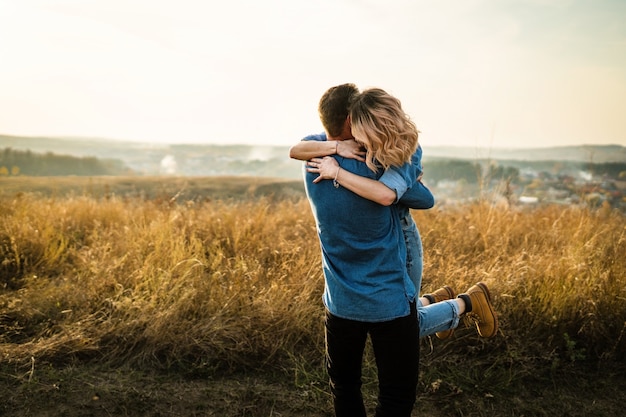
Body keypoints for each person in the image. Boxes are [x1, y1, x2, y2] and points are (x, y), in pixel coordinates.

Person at [298, 85, 499, 417]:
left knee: (348, 383)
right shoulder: (349, 154)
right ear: (353, 120)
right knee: (407, 332)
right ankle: (460, 304)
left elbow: (399, 197)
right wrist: (408, 186)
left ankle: (440, 303)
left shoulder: (316, 154)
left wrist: (337, 165)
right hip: (385, 290)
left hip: (356, 287)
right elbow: (422, 199)